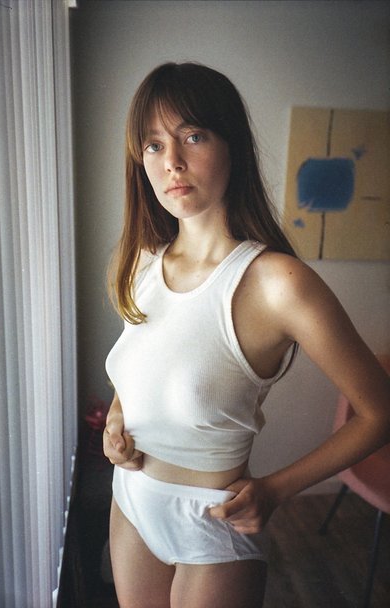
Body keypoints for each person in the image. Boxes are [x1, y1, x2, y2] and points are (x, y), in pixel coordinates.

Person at [103, 62, 390, 608]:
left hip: (214, 522)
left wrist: (277, 490)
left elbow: (380, 412)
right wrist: (117, 420)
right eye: (154, 145)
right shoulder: (142, 263)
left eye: (193, 136)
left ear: (232, 145)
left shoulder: (278, 283)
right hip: (131, 502)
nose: (172, 162)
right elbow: (138, 368)